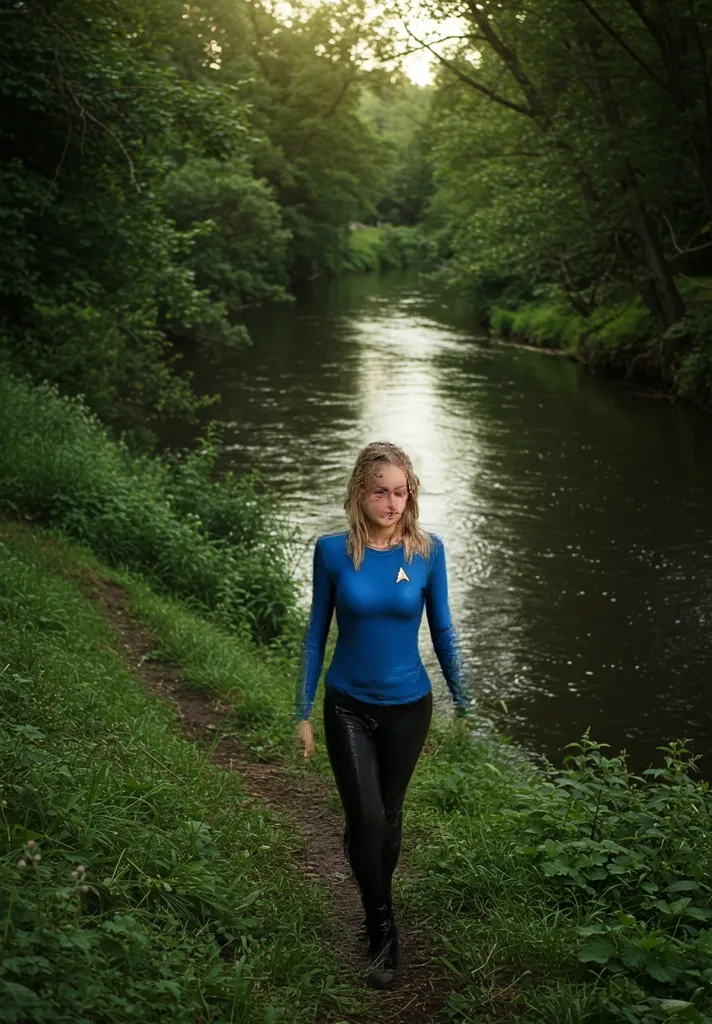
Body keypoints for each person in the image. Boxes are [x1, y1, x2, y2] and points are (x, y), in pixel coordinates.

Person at [295, 441, 471, 990]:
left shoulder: (427, 552)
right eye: (380, 492)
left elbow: (441, 628)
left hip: (409, 707)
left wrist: (462, 695)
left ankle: (375, 892)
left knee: (388, 816)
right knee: (367, 819)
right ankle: (382, 925)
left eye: (401, 492)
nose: (392, 504)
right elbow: (315, 633)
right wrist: (302, 710)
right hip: (347, 703)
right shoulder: (330, 552)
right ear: (359, 493)